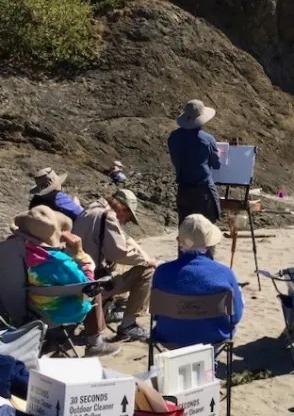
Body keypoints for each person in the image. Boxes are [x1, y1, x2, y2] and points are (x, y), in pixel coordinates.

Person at [73, 189, 157, 342]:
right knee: (146, 272)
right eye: (128, 217)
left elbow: (123, 239)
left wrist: (140, 253)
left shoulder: (92, 210)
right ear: (123, 209)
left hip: (76, 282)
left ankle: (107, 310)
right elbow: (118, 253)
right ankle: (128, 325)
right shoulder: (107, 217)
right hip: (92, 286)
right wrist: (146, 261)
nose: (124, 222)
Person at [151, 215, 244, 346]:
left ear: (179, 241)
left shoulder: (161, 272)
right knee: (237, 293)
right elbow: (236, 317)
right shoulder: (225, 273)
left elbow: (156, 315)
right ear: (209, 243)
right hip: (214, 340)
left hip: (169, 338)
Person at [11, 206, 96, 326]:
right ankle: (94, 338)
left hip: (20, 304)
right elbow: (88, 287)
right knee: (97, 290)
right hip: (53, 312)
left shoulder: (10, 249)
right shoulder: (57, 261)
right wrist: (81, 255)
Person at [167, 99, 221, 225]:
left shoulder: (173, 137)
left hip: (184, 189)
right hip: (203, 189)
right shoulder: (207, 139)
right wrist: (217, 155)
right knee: (207, 230)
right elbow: (216, 165)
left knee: (185, 228)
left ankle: (183, 245)